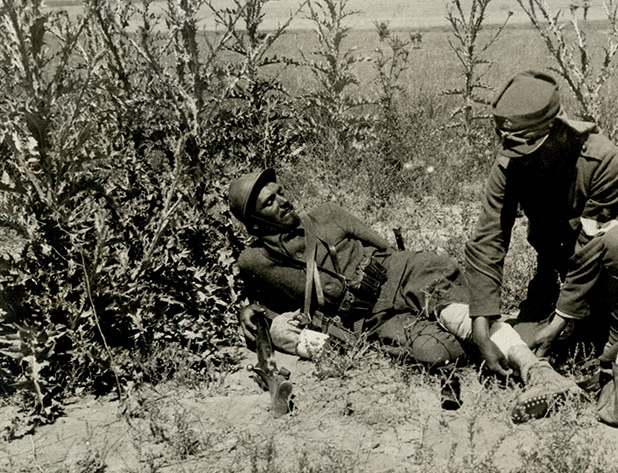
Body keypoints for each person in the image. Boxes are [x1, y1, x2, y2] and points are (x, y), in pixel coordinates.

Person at [228, 168, 581, 423]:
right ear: (255, 223)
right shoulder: (255, 261)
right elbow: (264, 303)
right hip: (372, 317)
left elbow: (384, 248)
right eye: (270, 202)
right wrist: (249, 311)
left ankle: (536, 372)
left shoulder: (327, 215)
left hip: (399, 272)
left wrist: (406, 276)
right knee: (434, 352)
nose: (283, 202)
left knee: (454, 311)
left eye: (280, 192)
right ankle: (525, 336)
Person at [464, 71, 618, 370]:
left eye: (528, 146)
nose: (522, 158)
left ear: (555, 128)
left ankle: (617, 348)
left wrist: (561, 319)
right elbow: (489, 238)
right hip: (567, 259)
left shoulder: (603, 159)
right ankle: (583, 321)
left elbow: (592, 246)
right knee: (523, 341)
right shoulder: (509, 165)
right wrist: (480, 323)